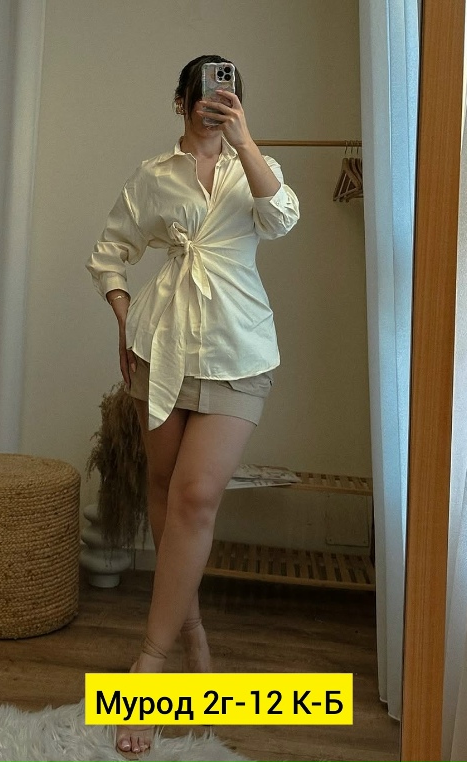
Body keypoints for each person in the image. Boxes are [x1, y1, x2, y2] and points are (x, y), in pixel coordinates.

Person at [86, 54, 299, 757]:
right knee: (165, 492)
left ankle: (149, 664)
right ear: (181, 99)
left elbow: (281, 218)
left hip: (239, 349)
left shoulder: (252, 167)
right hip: (162, 347)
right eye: (204, 91)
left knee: (196, 496)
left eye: (228, 91)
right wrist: (124, 317)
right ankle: (193, 632)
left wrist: (245, 141)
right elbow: (111, 251)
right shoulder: (154, 175)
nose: (216, 101)